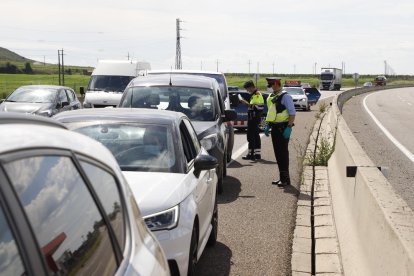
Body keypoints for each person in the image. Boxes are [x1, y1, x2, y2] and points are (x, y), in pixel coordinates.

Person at [264, 77, 296, 187]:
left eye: (272, 84)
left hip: (283, 128)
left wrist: (289, 127)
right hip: (275, 128)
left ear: (277, 83)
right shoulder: (271, 97)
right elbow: (271, 113)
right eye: (270, 85)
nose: (271, 87)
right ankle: (282, 178)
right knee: (278, 154)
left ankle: (286, 179)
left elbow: (292, 113)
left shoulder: (285, 96)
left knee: (283, 154)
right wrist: (268, 125)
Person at [241, 80, 264, 160]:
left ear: (251, 87)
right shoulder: (255, 94)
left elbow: (258, 107)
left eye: (248, 89)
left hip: (253, 118)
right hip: (254, 117)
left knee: (251, 136)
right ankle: (257, 154)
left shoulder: (257, 94)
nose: (247, 91)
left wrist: (245, 103)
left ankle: (251, 154)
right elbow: (255, 106)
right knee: (255, 135)